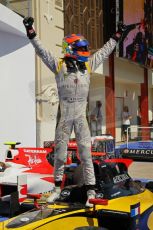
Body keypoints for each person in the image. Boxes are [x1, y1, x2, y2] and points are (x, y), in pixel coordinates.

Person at [23, 17, 126, 207]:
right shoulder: (59, 65)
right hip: (65, 117)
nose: (84, 52)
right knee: (60, 155)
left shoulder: (87, 66)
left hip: (80, 117)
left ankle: (91, 191)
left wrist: (117, 36)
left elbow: (103, 53)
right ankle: (56, 190)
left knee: (86, 155)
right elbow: (42, 51)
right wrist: (31, 31)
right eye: (80, 49)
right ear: (70, 48)